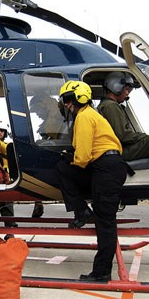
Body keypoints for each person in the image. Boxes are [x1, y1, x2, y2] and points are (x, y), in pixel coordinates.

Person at [55, 80, 128, 282]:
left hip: (106, 169)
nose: (66, 104)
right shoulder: (88, 115)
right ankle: (83, 211)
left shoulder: (85, 116)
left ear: (80, 97)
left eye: (68, 99)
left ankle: (102, 272)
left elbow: (83, 157)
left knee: (105, 223)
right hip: (102, 167)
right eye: (64, 100)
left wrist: (71, 157)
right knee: (62, 168)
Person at [97, 71, 149, 161]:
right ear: (116, 87)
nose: (127, 93)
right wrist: (143, 137)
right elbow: (124, 136)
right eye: (126, 89)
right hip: (119, 151)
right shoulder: (110, 106)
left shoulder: (107, 105)